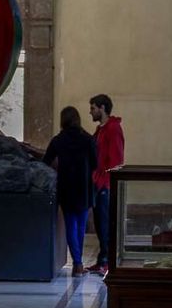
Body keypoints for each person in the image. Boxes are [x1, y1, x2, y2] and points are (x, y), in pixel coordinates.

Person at [44, 106, 98, 277]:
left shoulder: (58, 140)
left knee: (70, 225)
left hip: (66, 187)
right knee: (81, 226)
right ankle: (78, 261)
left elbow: (46, 161)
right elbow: (96, 164)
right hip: (84, 187)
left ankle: (77, 262)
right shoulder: (88, 139)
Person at [89, 94, 124, 275]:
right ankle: (102, 259)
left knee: (105, 224)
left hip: (105, 184)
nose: (90, 112)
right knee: (100, 223)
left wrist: (105, 182)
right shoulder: (100, 129)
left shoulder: (113, 128)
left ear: (102, 108)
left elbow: (116, 159)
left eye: (93, 108)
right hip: (98, 182)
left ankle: (107, 261)